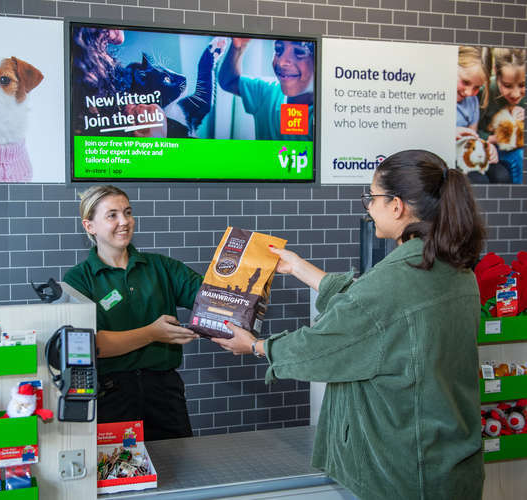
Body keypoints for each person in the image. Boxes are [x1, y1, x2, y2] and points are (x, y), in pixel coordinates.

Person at [213, 150, 485, 500]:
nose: (368, 207)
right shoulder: (456, 269)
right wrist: (297, 267)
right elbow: (368, 309)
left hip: (406, 471)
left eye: (371, 198)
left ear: (397, 206)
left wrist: (255, 345)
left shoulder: (396, 281)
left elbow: (325, 344)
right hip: (452, 463)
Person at [62, 185, 202, 440]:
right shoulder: (79, 279)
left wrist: (251, 281)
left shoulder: (161, 267)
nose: (124, 222)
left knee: (182, 471)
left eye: (127, 212)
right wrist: (152, 333)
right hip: (111, 397)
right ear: (89, 226)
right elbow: (92, 345)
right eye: (112, 215)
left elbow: (212, 299)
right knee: (122, 473)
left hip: (165, 394)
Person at [218, 38, 314, 140]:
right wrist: (238, 47)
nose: (282, 62)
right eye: (278, 49)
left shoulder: (325, 115)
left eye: (299, 52)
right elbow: (229, 81)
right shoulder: (268, 91)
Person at [454, 46, 509, 183]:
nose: (468, 92)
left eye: (477, 87)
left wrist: (485, 147)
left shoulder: (472, 101)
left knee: (502, 175)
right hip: (450, 158)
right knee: (480, 180)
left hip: (467, 154)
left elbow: (474, 137)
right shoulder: (435, 97)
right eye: (465, 82)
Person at [478, 47, 526, 184]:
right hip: (491, 148)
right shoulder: (485, 92)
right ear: (496, 75)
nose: (516, 94)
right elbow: (474, 132)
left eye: (522, 85)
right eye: (507, 85)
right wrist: (494, 138)